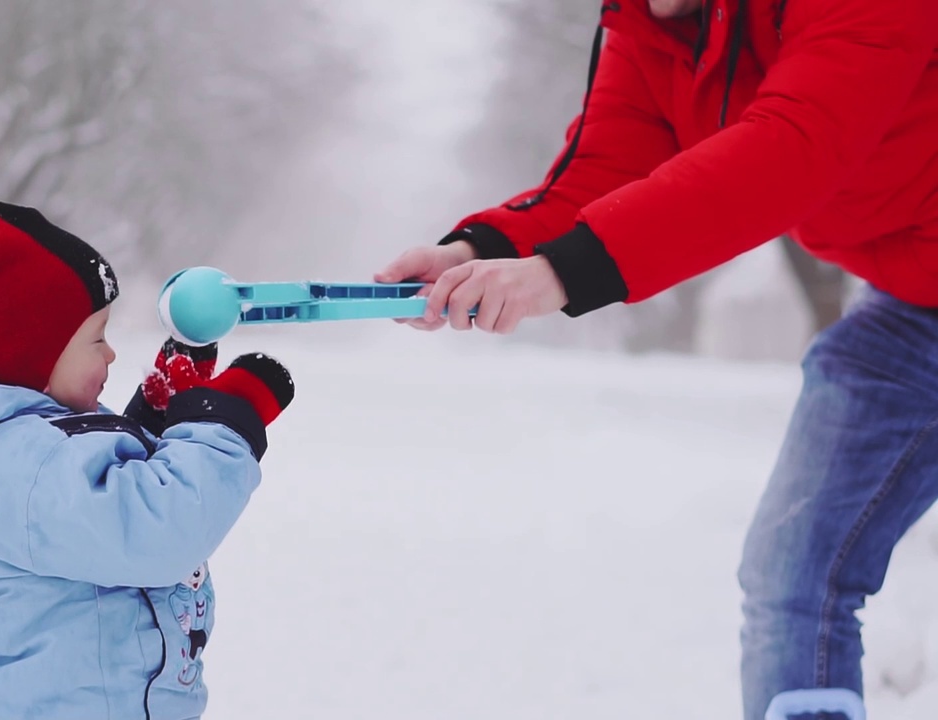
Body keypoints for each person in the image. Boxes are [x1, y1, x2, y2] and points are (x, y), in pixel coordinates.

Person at [376, 1, 938, 717]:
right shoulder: (653, 26)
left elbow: (796, 144)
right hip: (913, 309)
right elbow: (600, 172)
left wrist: (559, 275)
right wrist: (480, 252)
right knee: (796, 575)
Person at [0, 195, 294, 720]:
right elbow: (157, 528)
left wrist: (156, 416)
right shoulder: (22, 469)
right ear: (29, 356)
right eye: (96, 338)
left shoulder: (18, 450)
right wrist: (226, 422)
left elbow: (100, 493)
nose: (109, 353)